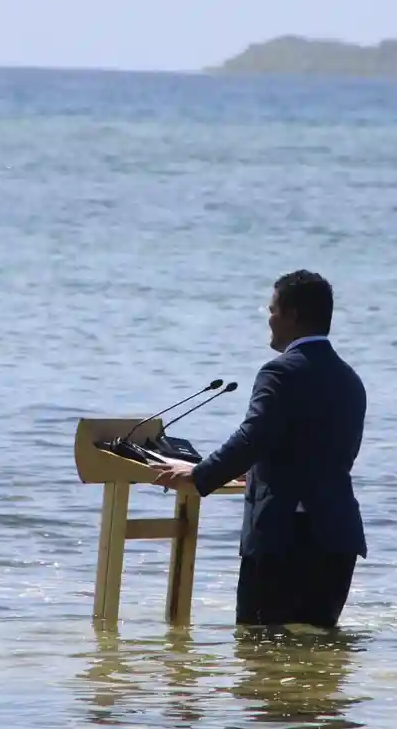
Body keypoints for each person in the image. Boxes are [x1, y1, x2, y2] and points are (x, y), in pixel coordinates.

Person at [151, 269, 368, 629]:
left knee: (259, 658)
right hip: (336, 538)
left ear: (292, 315)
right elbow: (326, 454)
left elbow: (252, 436)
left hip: (285, 539)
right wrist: (257, 470)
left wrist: (199, 474)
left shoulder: (279, 373)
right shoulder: (350, 379)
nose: (269, 319)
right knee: (317, 665)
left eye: (272, 310)